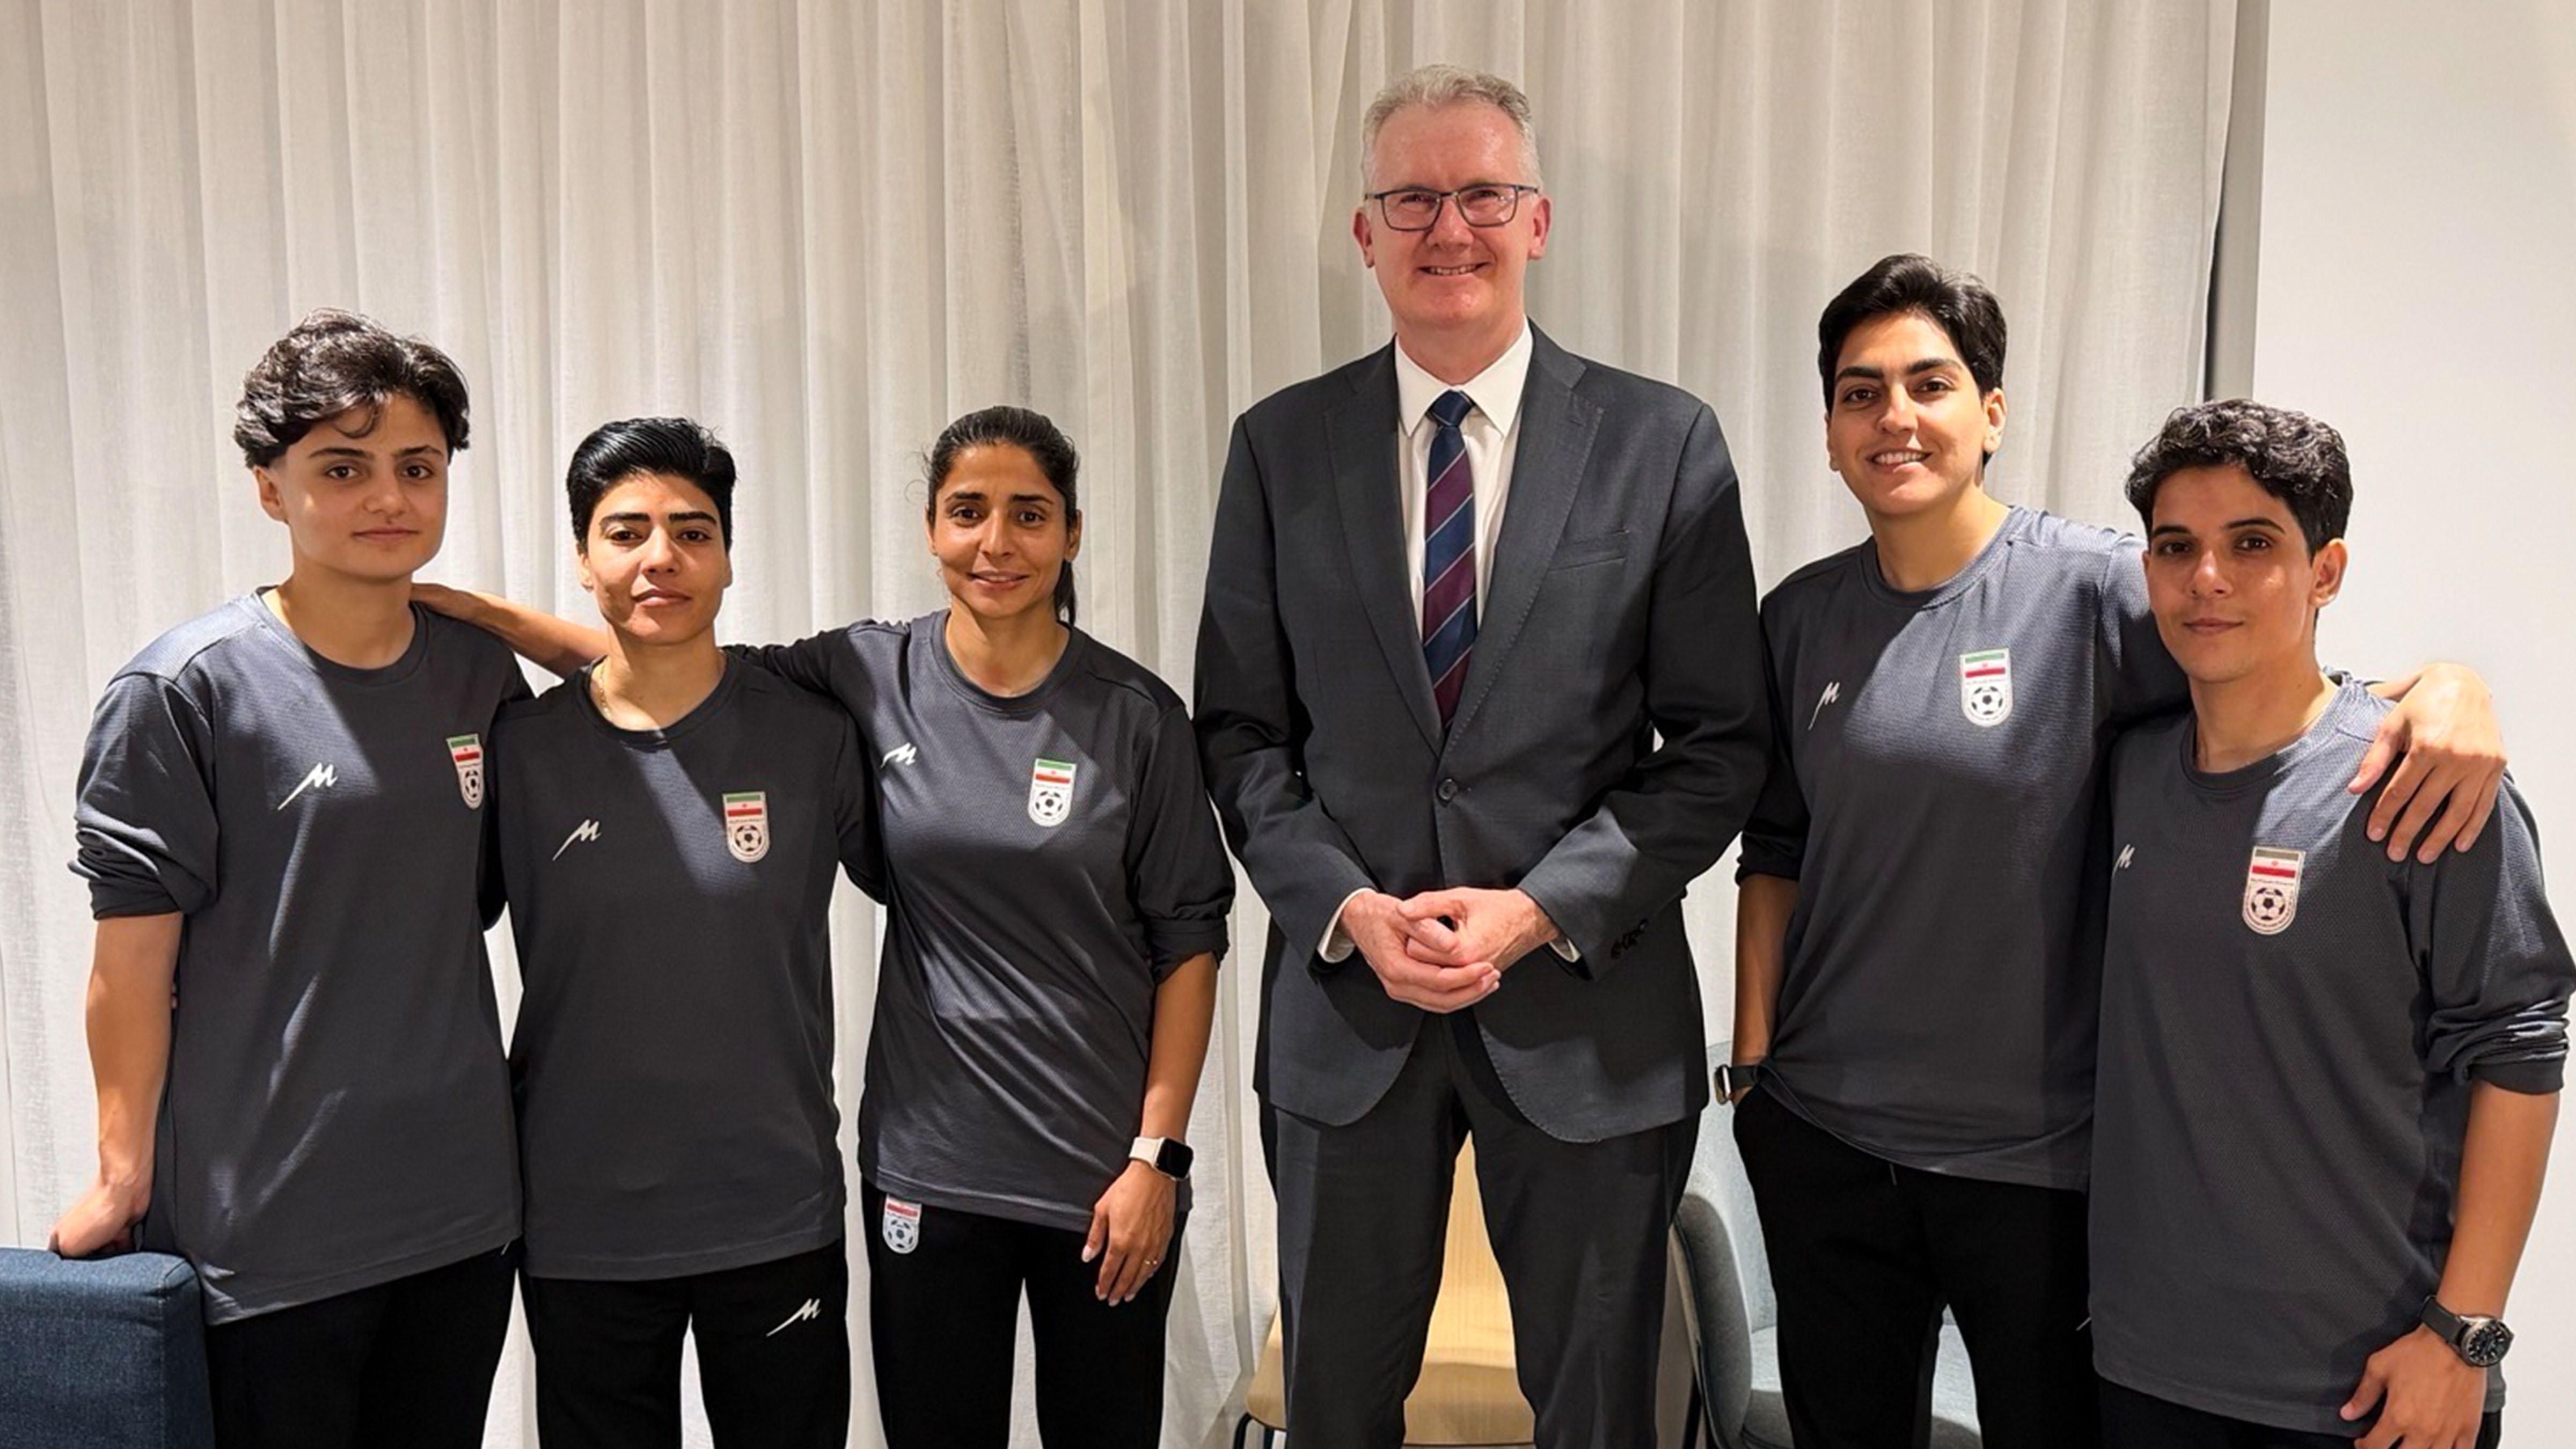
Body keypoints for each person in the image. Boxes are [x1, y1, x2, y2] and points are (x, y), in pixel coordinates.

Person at [1726, 254, 2509, 1449]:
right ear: (1829, 432)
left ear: (1990, 414)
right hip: (1827, 1145)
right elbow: (1774, 845)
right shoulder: (1800, 615)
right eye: (1859, 391)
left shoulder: (2101, 588)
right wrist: (1755, 1070)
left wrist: (2452, 687)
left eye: (1929, 384)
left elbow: (2271, 666)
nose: (1895, 417)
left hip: (2040, 1169)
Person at [422, 404, 1229, 1449]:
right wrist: (489, 617)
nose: (996, 541)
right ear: (932, 530)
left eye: (1028, 514)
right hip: (854, 1180)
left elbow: (1191, 939)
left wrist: (1157, 1155)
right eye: (968, 511)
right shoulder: (840, 682)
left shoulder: (1119, 714)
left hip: (1029, 1180)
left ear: (1071, 532)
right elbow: (665, 664)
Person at [1192, 65, 1769, 1446]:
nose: (1450, 229)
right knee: (1336, 1403)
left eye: (1483, 196)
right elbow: (1242, 733)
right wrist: (1342, 907)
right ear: (1365, 232)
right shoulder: (1281, 448)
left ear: (1539, 218)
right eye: (1413, 199)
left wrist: (1536, 910)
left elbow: (1717, 746)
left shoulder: (1662, 442)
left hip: (1588, 1011)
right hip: (1349, 1016)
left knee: (1602, 1407)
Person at [50, 310, 528, 1448]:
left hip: (461, 1212)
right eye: (342, 468)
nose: (388, 498)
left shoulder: (477, 673)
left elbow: (658, 683)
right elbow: (131, 967)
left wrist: (497, 616)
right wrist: (123, 1179)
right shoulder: (182, 693)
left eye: (417, 468)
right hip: (265, 1229)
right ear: (272, 491)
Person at [2092, 400, 2568, 1449]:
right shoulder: (2127, 772)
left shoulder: (2418, 783)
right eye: (2177, 548)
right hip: (2144, 1369)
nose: (2206, 577)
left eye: (2251, 544)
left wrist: (2465, 1334)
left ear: (2327, 571)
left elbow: (2522, 1052)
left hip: (2370, 1390)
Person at [493, 418, 875, 1447]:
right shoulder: (519, 752)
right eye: (626, 532)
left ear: (728, 556)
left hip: (773, 1210)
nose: (661, 556)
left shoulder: (814, 736)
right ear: (582, 558)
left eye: (692, 531)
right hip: (582, 1224)